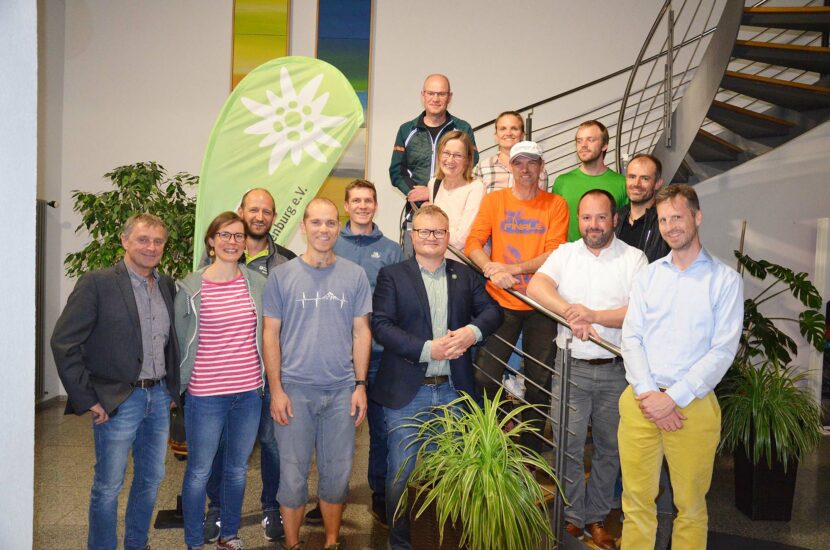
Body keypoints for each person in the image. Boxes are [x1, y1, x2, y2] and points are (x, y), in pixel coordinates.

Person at [371, 205, 503, 549]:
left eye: (439, 232)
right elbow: (381, 326)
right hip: (406, 394)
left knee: (449, 474)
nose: (432, 237)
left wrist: (472, 333)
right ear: (412, 235)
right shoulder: (392, 275)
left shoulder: (465, 275)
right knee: (401, 476)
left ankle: (441, 541)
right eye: (424, 231)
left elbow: (493, 311)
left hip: (453, 392)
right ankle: (401, 543)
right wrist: (429, 349)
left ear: (448, 236)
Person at [619, 184, 743, 549]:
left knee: (690, 507)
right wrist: (649, 394)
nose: (670, 226)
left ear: (697, 217)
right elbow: (631, 338)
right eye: (663, 220)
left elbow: (722, 351)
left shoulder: (725, 280)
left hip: (693, 405)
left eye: (677, 217)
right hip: (641, 400)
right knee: (636, 502)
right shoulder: (649, 276)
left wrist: (672, 398)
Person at [51, 213, 180, 550]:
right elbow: (64, 342)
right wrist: (87, 397)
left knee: (151, 479)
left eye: (158, 241)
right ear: (124, 240)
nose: (151, 247)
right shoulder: (97, 283)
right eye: (143, 239)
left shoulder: (166, 285)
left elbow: (171, 343)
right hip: (118, 401)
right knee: (108, 485)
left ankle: (137, 544)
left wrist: (171, 388)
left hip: (158, 398)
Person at [527, 190, 646, 550]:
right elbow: (536, 286)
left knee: (610, 449)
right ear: (578, 220)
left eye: (601, 217)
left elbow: (638, 311)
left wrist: (592, 316)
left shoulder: (634, 259)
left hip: (616, 369)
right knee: (568, 446)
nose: (593, 225)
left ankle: (596, 517)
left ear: (614, 219)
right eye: (587, 217)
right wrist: (569, 312)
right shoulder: (565, 254)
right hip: (570, 367)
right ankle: (572, 517)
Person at [262, 198, 373, 550]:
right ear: (303, 227)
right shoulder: (281, 277)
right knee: (292, 477)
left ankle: (331, 542)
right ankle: (293, 544)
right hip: (295, 391)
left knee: (337, 475)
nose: (323, 229)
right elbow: (270, 335)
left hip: (342, 392)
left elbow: (362, 332)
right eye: (316, 222)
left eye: (330, 223)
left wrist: (360, 385)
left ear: (338, 228)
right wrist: (276, 390)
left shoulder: (355, 275)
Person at [201, 188, 295, 544]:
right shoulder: (219, 255)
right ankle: (217, 509)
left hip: (273, 371)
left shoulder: (287, 262)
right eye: (253, 209)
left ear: (274, 218)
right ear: (241, 211)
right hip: (230, 371)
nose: (259, 216)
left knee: (272, 443)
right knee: (222, 445)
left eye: (267, 211)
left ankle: (271, 506)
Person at [464, 140, 569, 454]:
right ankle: (498, 434)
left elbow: (554, 252)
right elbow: (473, 243)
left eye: (532, 162)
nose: (525, 169)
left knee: (539, 380)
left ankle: (530, 451)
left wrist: (513, 268)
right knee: (484, 376)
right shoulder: (495, 201)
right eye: (519, 162)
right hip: (501, 301)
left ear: (541, 167)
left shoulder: (555, 204)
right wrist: (490, 268)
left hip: (541, 303)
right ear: (510, 166)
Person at [176, 211, 267, 550]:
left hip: (248, 394)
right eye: (225, 235)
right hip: (205, 395)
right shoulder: (190, 287)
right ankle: (193, 541)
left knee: (237, 470)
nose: (232, 242)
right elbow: (178, 340)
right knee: (200, 470)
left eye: (238, 236)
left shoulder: (256, 283)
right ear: (211, 241)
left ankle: (229, 535)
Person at [330, 179, 403, 526]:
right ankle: (331, 499)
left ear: (375, 205)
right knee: (334, 433)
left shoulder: (391, 251)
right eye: (356, 200)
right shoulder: (331, 244)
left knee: (381, 431)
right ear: (346, 206)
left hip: (379, 357)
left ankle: (380, 497)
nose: (362, 206)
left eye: (368, 200)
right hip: (336, 357)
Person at [389, 74, 477, 255]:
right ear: (423, 95)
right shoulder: (407, 130)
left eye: (441, 94)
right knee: (414, 270)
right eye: (431, 93)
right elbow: (396, 172)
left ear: (449, 97)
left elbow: (470, 164)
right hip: (416, 215)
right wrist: (416, 195)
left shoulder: (463, 129)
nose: (435, 99)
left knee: (451, 270)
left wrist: (433, 191)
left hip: (453, 219)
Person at [553, 120, 628, 241]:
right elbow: (554, 226)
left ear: (604, 145)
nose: (583, 145)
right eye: (579, 141)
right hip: (569, 252)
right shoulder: (562, 182)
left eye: (590, 140)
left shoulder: (623, 183)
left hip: (609, 252)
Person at [425, 130, 485, 260]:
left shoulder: (476, 188)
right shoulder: (434, 184)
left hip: (462, 264)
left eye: (457, 155)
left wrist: (431, 227)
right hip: (437, 260)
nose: (450, 160)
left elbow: (460, 240)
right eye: (446, 153)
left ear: (467, 160)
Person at [473, 110, 549, 193]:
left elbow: (541, 200)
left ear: (522, 135)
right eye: (503, 129)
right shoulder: (482, 168)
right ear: (496, 135)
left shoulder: (538, 169)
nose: (508, 133)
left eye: (514, 128)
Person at [616, 153, 670, 262]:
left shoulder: (666, 224)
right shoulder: (615, 220)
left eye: (645, 178)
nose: (637, 184)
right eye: (632, 177)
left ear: (657, 183)